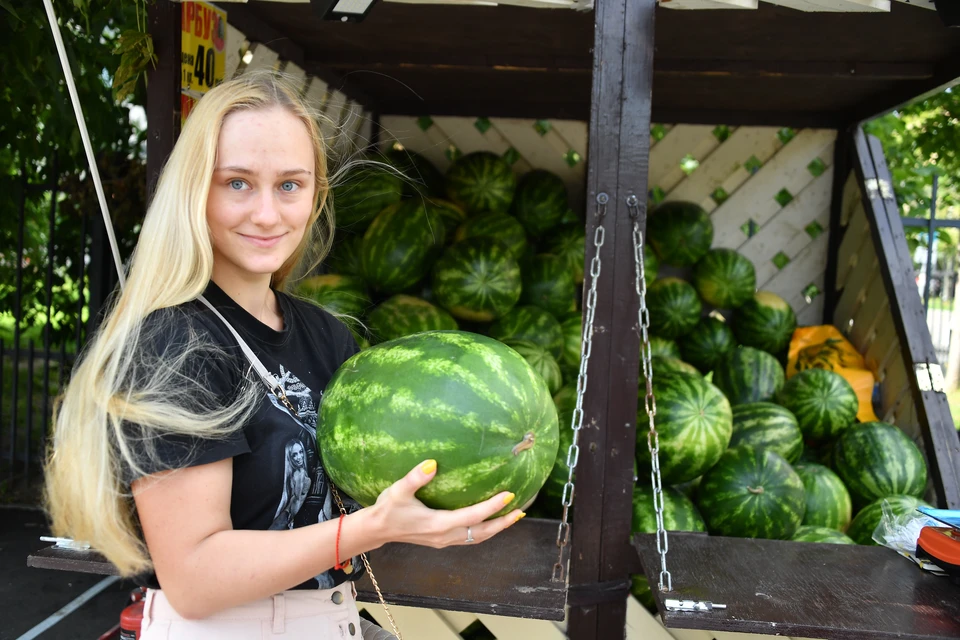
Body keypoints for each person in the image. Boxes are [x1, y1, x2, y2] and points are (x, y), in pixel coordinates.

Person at [43, 70, 524, 639]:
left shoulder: (327, 337)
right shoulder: (174, 345)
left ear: (317, 194)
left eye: (290, 185)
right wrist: (369, 529)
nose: (268, 214)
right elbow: (194, 579)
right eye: (238, 183)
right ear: (196, 190)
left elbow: (358, 500)